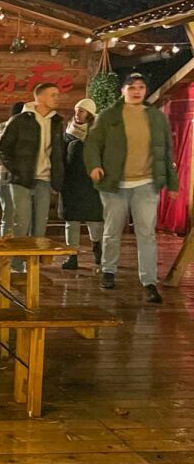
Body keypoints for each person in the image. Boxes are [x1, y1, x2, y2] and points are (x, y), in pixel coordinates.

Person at [84, 71, 179, 303]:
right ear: (123, 90)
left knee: (146, 233)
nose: (136, 91)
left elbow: (166, 151)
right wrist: (95, 166)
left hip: (146, 183)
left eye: (141, 87)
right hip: (114, 183)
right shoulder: (109, 115)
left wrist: (172, 182)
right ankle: (108, 270)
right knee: (112, 229)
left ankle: (149, 282)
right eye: (132, 87)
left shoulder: (156, 116)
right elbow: (92, 144)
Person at [0, 82, 65, 271]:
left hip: (45, 179)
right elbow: (1, 148)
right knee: (21, 222)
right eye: (53, 94)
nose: (57, 98)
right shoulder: (20, 120)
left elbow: (58, 152)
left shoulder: (56, 122)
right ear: (40, 97)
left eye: (57, 94)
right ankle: (16, 264)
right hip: (21, 179)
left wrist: (59, 175)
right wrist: (15, 168)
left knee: (40, 226)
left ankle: (32, 265)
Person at [59, 97, 104, 270]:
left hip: (92, 184)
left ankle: (97, 247)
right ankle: (72, 255)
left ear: (90, 114)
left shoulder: (98, 134)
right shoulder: (67, 133)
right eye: (77, 110)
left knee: (94, 221)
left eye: (82, 111)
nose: (78, 114)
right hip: (71, 183)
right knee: (72, 221)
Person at [0, 102, 24, 237]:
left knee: (9, 215)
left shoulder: (3, 127)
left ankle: (10, 254)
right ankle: (9, 254)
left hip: (5, 175)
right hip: (8, 176)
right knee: (11, 215)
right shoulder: (8, 128)